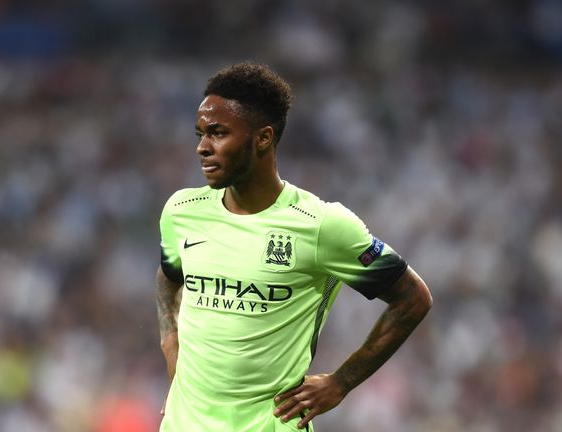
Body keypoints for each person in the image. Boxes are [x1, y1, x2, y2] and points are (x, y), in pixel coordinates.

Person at [155, 62, 433, 431]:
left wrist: (342, 381)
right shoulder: (182, 211)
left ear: (263, 138)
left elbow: (413, 299)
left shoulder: (321, 225)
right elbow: (169, 274)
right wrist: (169, 335)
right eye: (200, 134)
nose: (202, 148)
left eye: (218, 133)